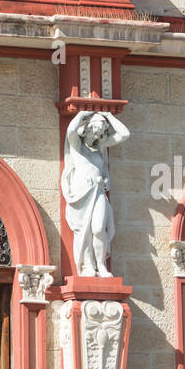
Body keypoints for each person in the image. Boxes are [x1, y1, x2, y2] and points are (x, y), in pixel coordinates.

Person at [61, 109, 130, 278]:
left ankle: (101, 266)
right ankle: (88, 266)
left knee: (99, 228)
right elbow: (70, 131)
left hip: (98, 191)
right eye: (93, 132)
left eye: (100, 133)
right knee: (84, 231)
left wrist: (108, 116)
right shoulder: (77, 147)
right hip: (82, 194)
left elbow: (124, 134)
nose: (96, 137)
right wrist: (81, 114)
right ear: (86, 130)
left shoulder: (100, 148)